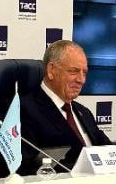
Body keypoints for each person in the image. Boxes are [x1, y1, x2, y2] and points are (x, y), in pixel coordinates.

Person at [19, 39, 110, 173]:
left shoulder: (84, 112)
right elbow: (26, 168)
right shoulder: (24, 110)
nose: (81, 80)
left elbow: (108, 151)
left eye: (84, 73)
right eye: (73, 71)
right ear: (51, 70)